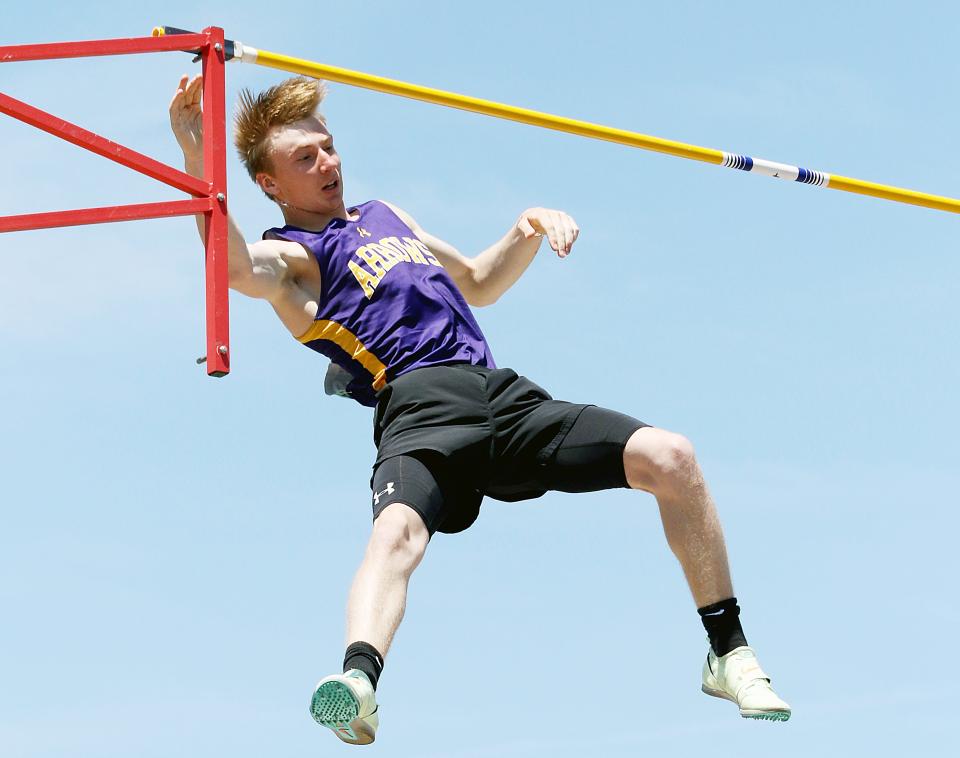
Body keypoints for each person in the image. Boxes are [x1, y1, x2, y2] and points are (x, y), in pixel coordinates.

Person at [169, 73, 791, 744]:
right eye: (306, 158)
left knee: (672, 456)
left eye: (329, 146)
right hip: (419, 406)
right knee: (395, 535)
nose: (329, 163)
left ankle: (729, 653)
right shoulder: (294, 260)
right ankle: (357, 683)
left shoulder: (386, 216)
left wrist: (525, 225)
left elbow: (476, 281)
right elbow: (231, 267)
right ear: (270, 184)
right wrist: (195, 151)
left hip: (499, 394)